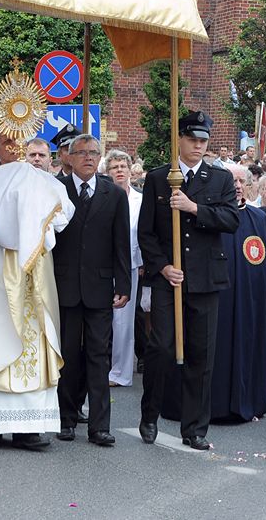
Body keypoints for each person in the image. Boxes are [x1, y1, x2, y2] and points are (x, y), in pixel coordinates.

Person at [0, 130, 74, 449]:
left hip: (33, 270)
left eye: (18, 141)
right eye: (6, 142)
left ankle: (30, 427)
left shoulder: (39, 178)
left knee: (34, 342)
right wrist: (6, 194)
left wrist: (36, 220)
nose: (14, 148)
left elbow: (64, 211)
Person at [138, 111, 239, 450]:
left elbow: (230, 220)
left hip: (205, 278)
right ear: (179, 140)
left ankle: (194, 428)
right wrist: (163, 266)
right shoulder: (159, 178)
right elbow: (146, 232)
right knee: (161, 347)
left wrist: (194, 208)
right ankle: (150, 413)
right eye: (193, 139)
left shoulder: (219, 178)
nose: (198, 145)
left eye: (203, 141)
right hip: (169, 278)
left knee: (201, 355)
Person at [53, 136, 130, 446]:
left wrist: (123, 284)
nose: (87, 158)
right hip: (65, 285)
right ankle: (66, 418)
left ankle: (99, 426)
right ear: (69, 158)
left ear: (100, 158)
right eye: (81, 153)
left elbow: (121, 242)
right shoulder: (57, 190)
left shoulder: (113, 193)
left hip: (100, 286)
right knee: (68, 355)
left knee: (99, 356)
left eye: (92, 153)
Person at [208, 164, 266, 421]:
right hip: (219, 296)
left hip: (250, 298)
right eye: (231, 180)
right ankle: (216, 404)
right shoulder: (211, 214)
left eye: (241, 180)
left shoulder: (259, 218)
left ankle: (249, 400)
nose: (236, 185)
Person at [104, 149, 142, 387]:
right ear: (107, 172)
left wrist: (144, 261)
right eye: (114, 167)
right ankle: (101, 366)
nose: (119, 170)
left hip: (131, 264)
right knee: (102, 319)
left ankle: (121, 372)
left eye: (123, 166)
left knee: (124, 321)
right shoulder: (103, 195)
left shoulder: (141, 199)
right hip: (103, 263)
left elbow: (145, 232)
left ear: (130, 170)